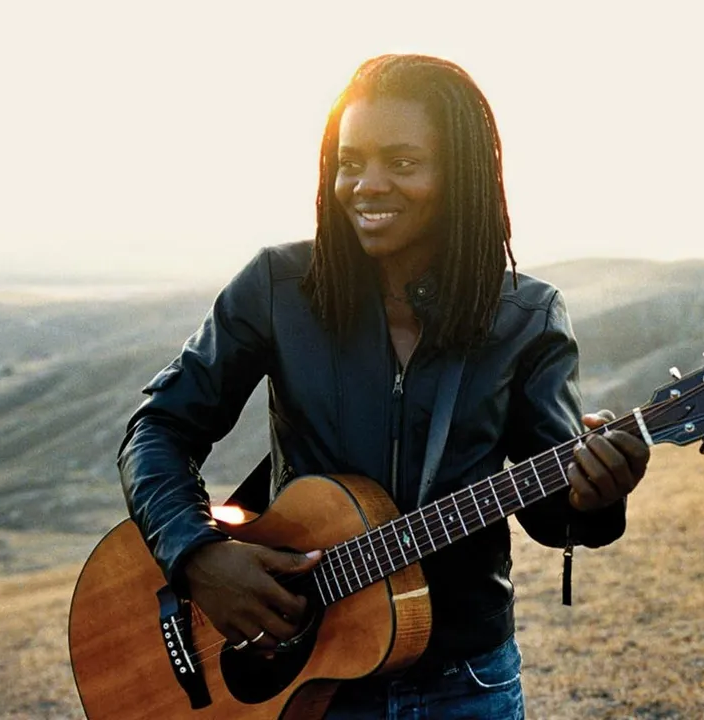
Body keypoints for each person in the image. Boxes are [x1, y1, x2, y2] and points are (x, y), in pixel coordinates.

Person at [117, 53, 650, 719]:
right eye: (351, 161)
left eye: (402, 163)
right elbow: (159, 428)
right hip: (296, 680)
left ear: (460, 176)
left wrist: (595, 497)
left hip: (465, 684)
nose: (367, 185)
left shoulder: (524, 320)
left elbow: (553, 515)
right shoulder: (279, 288)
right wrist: (197, 556)